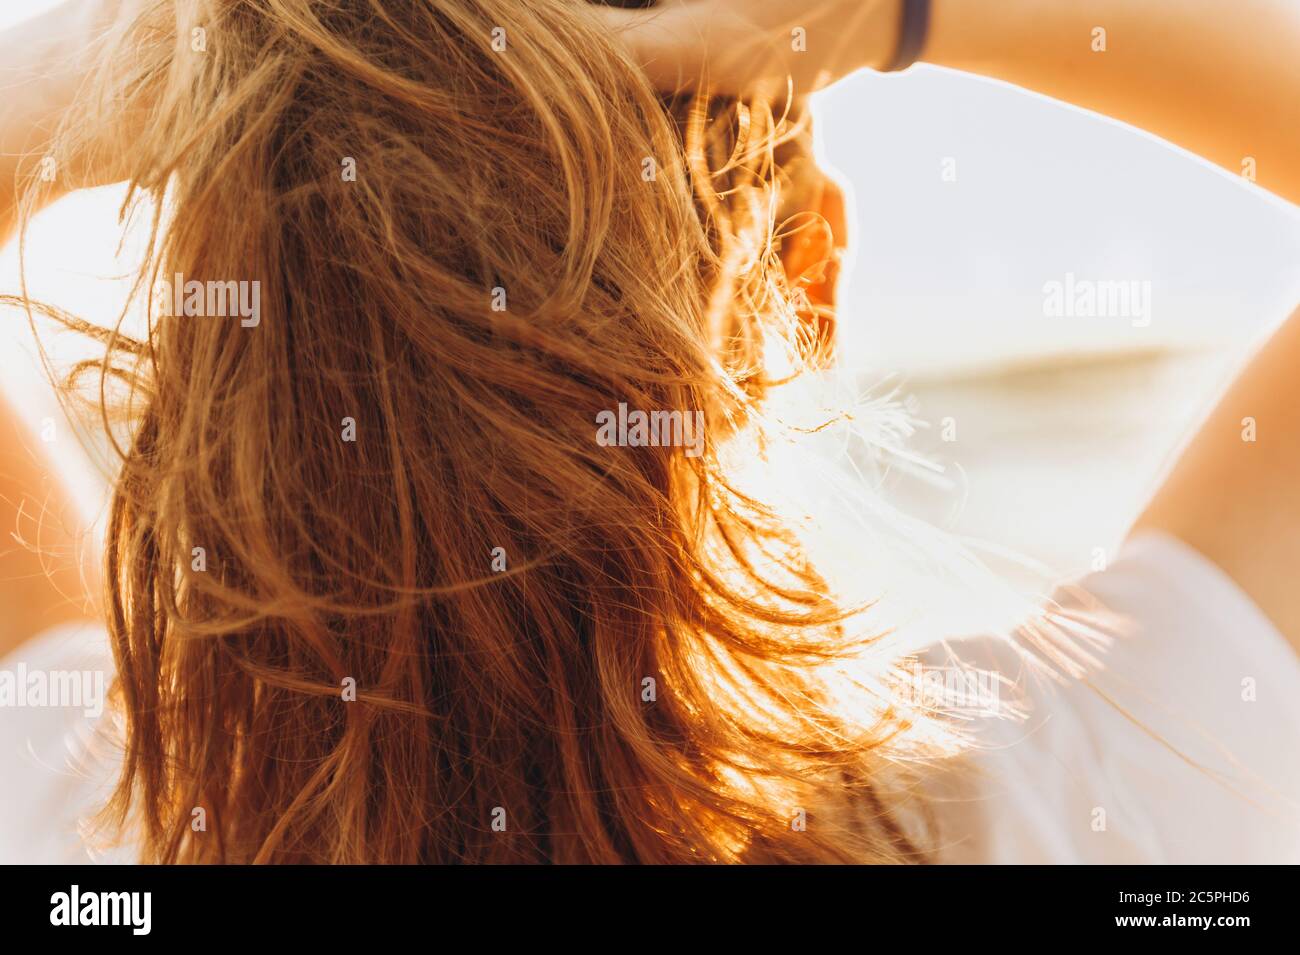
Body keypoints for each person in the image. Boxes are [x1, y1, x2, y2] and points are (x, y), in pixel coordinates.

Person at [0, 0, 1296, 864]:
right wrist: (904, 14)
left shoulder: (86, 840)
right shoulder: (1088, 813)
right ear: (809, 273)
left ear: (221, 341)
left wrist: (130, 60)